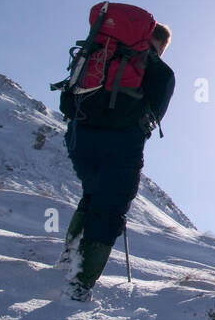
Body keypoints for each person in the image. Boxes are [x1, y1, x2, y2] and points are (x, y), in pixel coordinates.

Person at [60, 22, 175, 302]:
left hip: (79, 137)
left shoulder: (102, 52)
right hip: (120, 144)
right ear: (161, 45)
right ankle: (79, 284)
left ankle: (68, 258)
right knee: (109, 209)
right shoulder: (161, 71)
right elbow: (154, 115)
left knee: (91, 194)